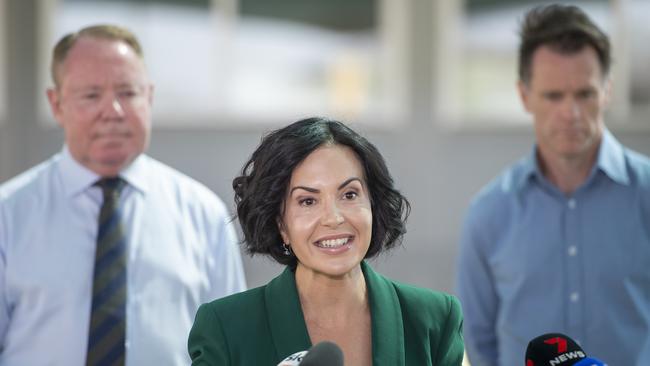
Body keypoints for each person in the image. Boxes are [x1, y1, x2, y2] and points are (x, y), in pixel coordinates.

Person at [0, 25, 246, 365]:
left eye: (128, 93)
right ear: (56, 104)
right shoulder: (9, 215)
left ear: (150, 97)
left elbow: (232, 348)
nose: (112, 111)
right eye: (90, 95)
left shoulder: (203, 214)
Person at [456, 4, 650, 366]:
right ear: (524, 95)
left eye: (584, 94)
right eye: (553, 96)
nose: (570, 113)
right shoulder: (488, 213)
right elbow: (479, 341)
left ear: (607, 90)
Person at [188, 117, 464, 365]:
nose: (333, 218)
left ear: (374, 204)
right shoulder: (226, 328)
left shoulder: (434, 319)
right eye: (308, 201)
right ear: (280, 224)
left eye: (349, 195)